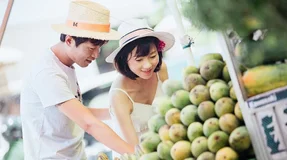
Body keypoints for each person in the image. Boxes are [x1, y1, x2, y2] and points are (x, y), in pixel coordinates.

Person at [20, 1, 137, 159]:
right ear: (69, 40)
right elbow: (88, 123)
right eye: (91, 48)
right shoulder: (47, 73)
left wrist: (115, 112)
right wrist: (136, 154)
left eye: (99, 48)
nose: (96, 55)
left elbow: (76, 113)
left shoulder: (65, 65)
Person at [104, 19, 175, 158]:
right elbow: (134, 147)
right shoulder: (119, 95)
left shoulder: (161, 70)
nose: (148, 65)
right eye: (139, 59)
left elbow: (171, 112)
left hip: (167, 148)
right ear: (125, 60)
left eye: (153, 56)